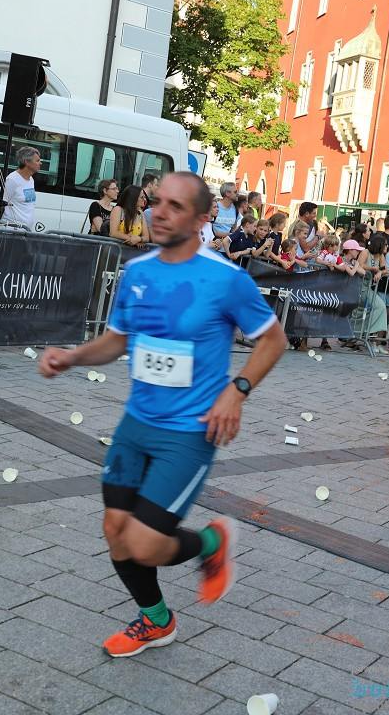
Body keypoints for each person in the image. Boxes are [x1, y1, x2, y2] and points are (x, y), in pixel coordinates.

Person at [38, 172, 287, 658]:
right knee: (116, 531)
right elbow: (116, 341)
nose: (159, 212)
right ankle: (156, 621)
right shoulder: (139, 272)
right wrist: (72, 356)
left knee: (146, 544)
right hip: (137, 425)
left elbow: (272, 340)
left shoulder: (225, 279)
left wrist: (237, 391)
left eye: (174, 206)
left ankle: (210, 545)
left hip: (190, 433)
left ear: (200, 219)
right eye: (156, 202)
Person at [3, 146, 41, 230]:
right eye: (37, 160)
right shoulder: (12, 179)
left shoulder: (31, 179)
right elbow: (1, 203)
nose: (40, 163)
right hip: (11, 232)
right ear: (27, 162)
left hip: (25, 231)